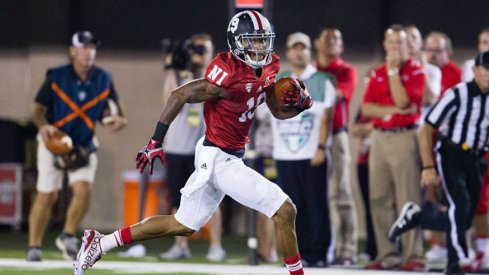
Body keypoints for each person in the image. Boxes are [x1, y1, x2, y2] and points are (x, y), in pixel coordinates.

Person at [74, 10, 310, 275]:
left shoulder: (269, 67)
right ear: (237, 42)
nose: (260, 47)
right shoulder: (228, 75)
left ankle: (101, 242)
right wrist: (155, 141)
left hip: (225, 155)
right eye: (253, 41)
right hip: (220, 159)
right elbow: (179, 94)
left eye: (263, 40)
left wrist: (299, 106)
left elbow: (276, 110)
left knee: (182, 224)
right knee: (284, 209)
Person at [27, 31, 127, 262]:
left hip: (83, 142)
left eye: (92, 47)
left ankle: (68, 235)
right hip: (55, 140)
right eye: (83, 47)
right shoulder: (57, 76)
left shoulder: (104, 78)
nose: (88, 51)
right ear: (73, 51)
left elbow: (119, 114)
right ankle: (34, 246)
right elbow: (36, 109)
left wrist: (118, 122)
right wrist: (43, 127)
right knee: (46, 196)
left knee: (83, 190)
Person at [389, 51, 489, 275]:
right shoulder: (458, 94)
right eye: (486, 68)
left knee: (465, 215)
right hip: (452, 154)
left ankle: (418, 217)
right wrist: (428, 167)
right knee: (460, 204)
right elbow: (427, 127)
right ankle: (460, 258)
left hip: (477, 158)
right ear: (475, 70)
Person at [361, 24, 425, 271]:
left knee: (407, 198)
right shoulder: (376, 72)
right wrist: (395, 111)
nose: (396, 48)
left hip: (404, 137)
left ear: (407, 45)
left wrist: (393, 74)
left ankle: (414, 256)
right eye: (391, 43)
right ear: (385, 45)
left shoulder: (416, 71)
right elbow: (367, 109)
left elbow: (404, 100)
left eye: (400, 42)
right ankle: (388, 254)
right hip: (379, 137)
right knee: (379, 197)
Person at [158, 34, 226, 262]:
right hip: (177, 148)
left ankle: (215, 245)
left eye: (203, 49)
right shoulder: (181, 78)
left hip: (205, 148)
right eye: (194, 49)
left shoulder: (214, 78)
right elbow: (169, 98)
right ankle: (180, 245)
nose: (198, 53)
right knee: (178, 201)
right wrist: (170, 67)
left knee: (210, 197)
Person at [271, 32, 336, 267]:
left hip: (312, 154)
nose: (299, 52)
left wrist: (321, 147)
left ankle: (319, 254)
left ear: (310, 51)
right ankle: (299, 255)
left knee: (316, 205)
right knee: (291, 209)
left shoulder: (321, 80)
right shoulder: (278, 81)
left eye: (303, 47)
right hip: (284, 155)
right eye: (294, 48)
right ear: (288, 52)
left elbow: (327, 116)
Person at [315, 27, 358, 265]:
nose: (332, 42)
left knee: (341, 193)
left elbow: (337, 97)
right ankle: (318, 247)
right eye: (327, 38)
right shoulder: (311, 71)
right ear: (317, 43)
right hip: (309, 137)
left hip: (337, 135)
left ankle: (347, 249)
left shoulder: (346, 71)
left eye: (337, 39)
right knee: (312, 193)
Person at [424, 31, 462, 96]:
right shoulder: (420, 71)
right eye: (429, 50)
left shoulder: (457, 74)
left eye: (438, 50)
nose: (433, 54)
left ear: (449, 52)